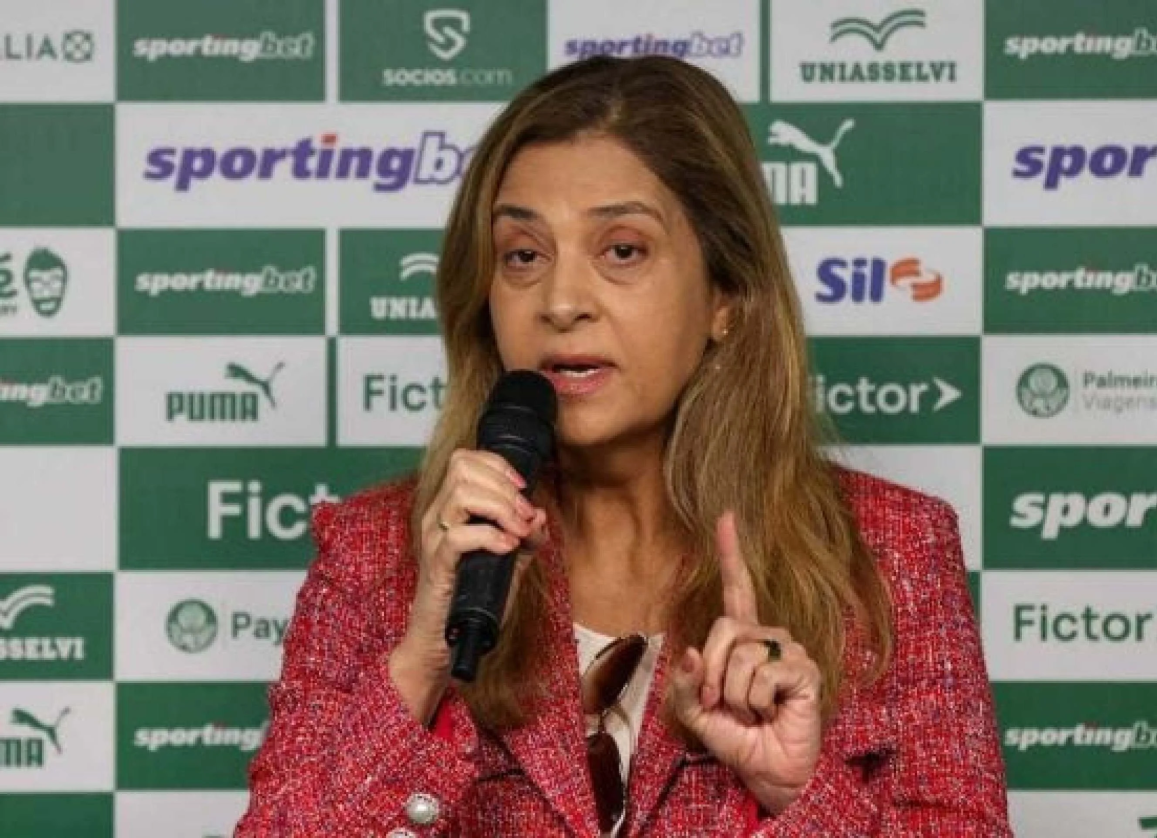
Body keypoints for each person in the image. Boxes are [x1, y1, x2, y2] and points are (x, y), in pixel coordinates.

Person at [235, 56, 1010, 837]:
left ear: (727, 295)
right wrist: (422, 666)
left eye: (622, 250)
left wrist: (801, 794)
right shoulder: (375, 554)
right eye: (523, 255)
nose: (562, 302)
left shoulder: (891, 553)